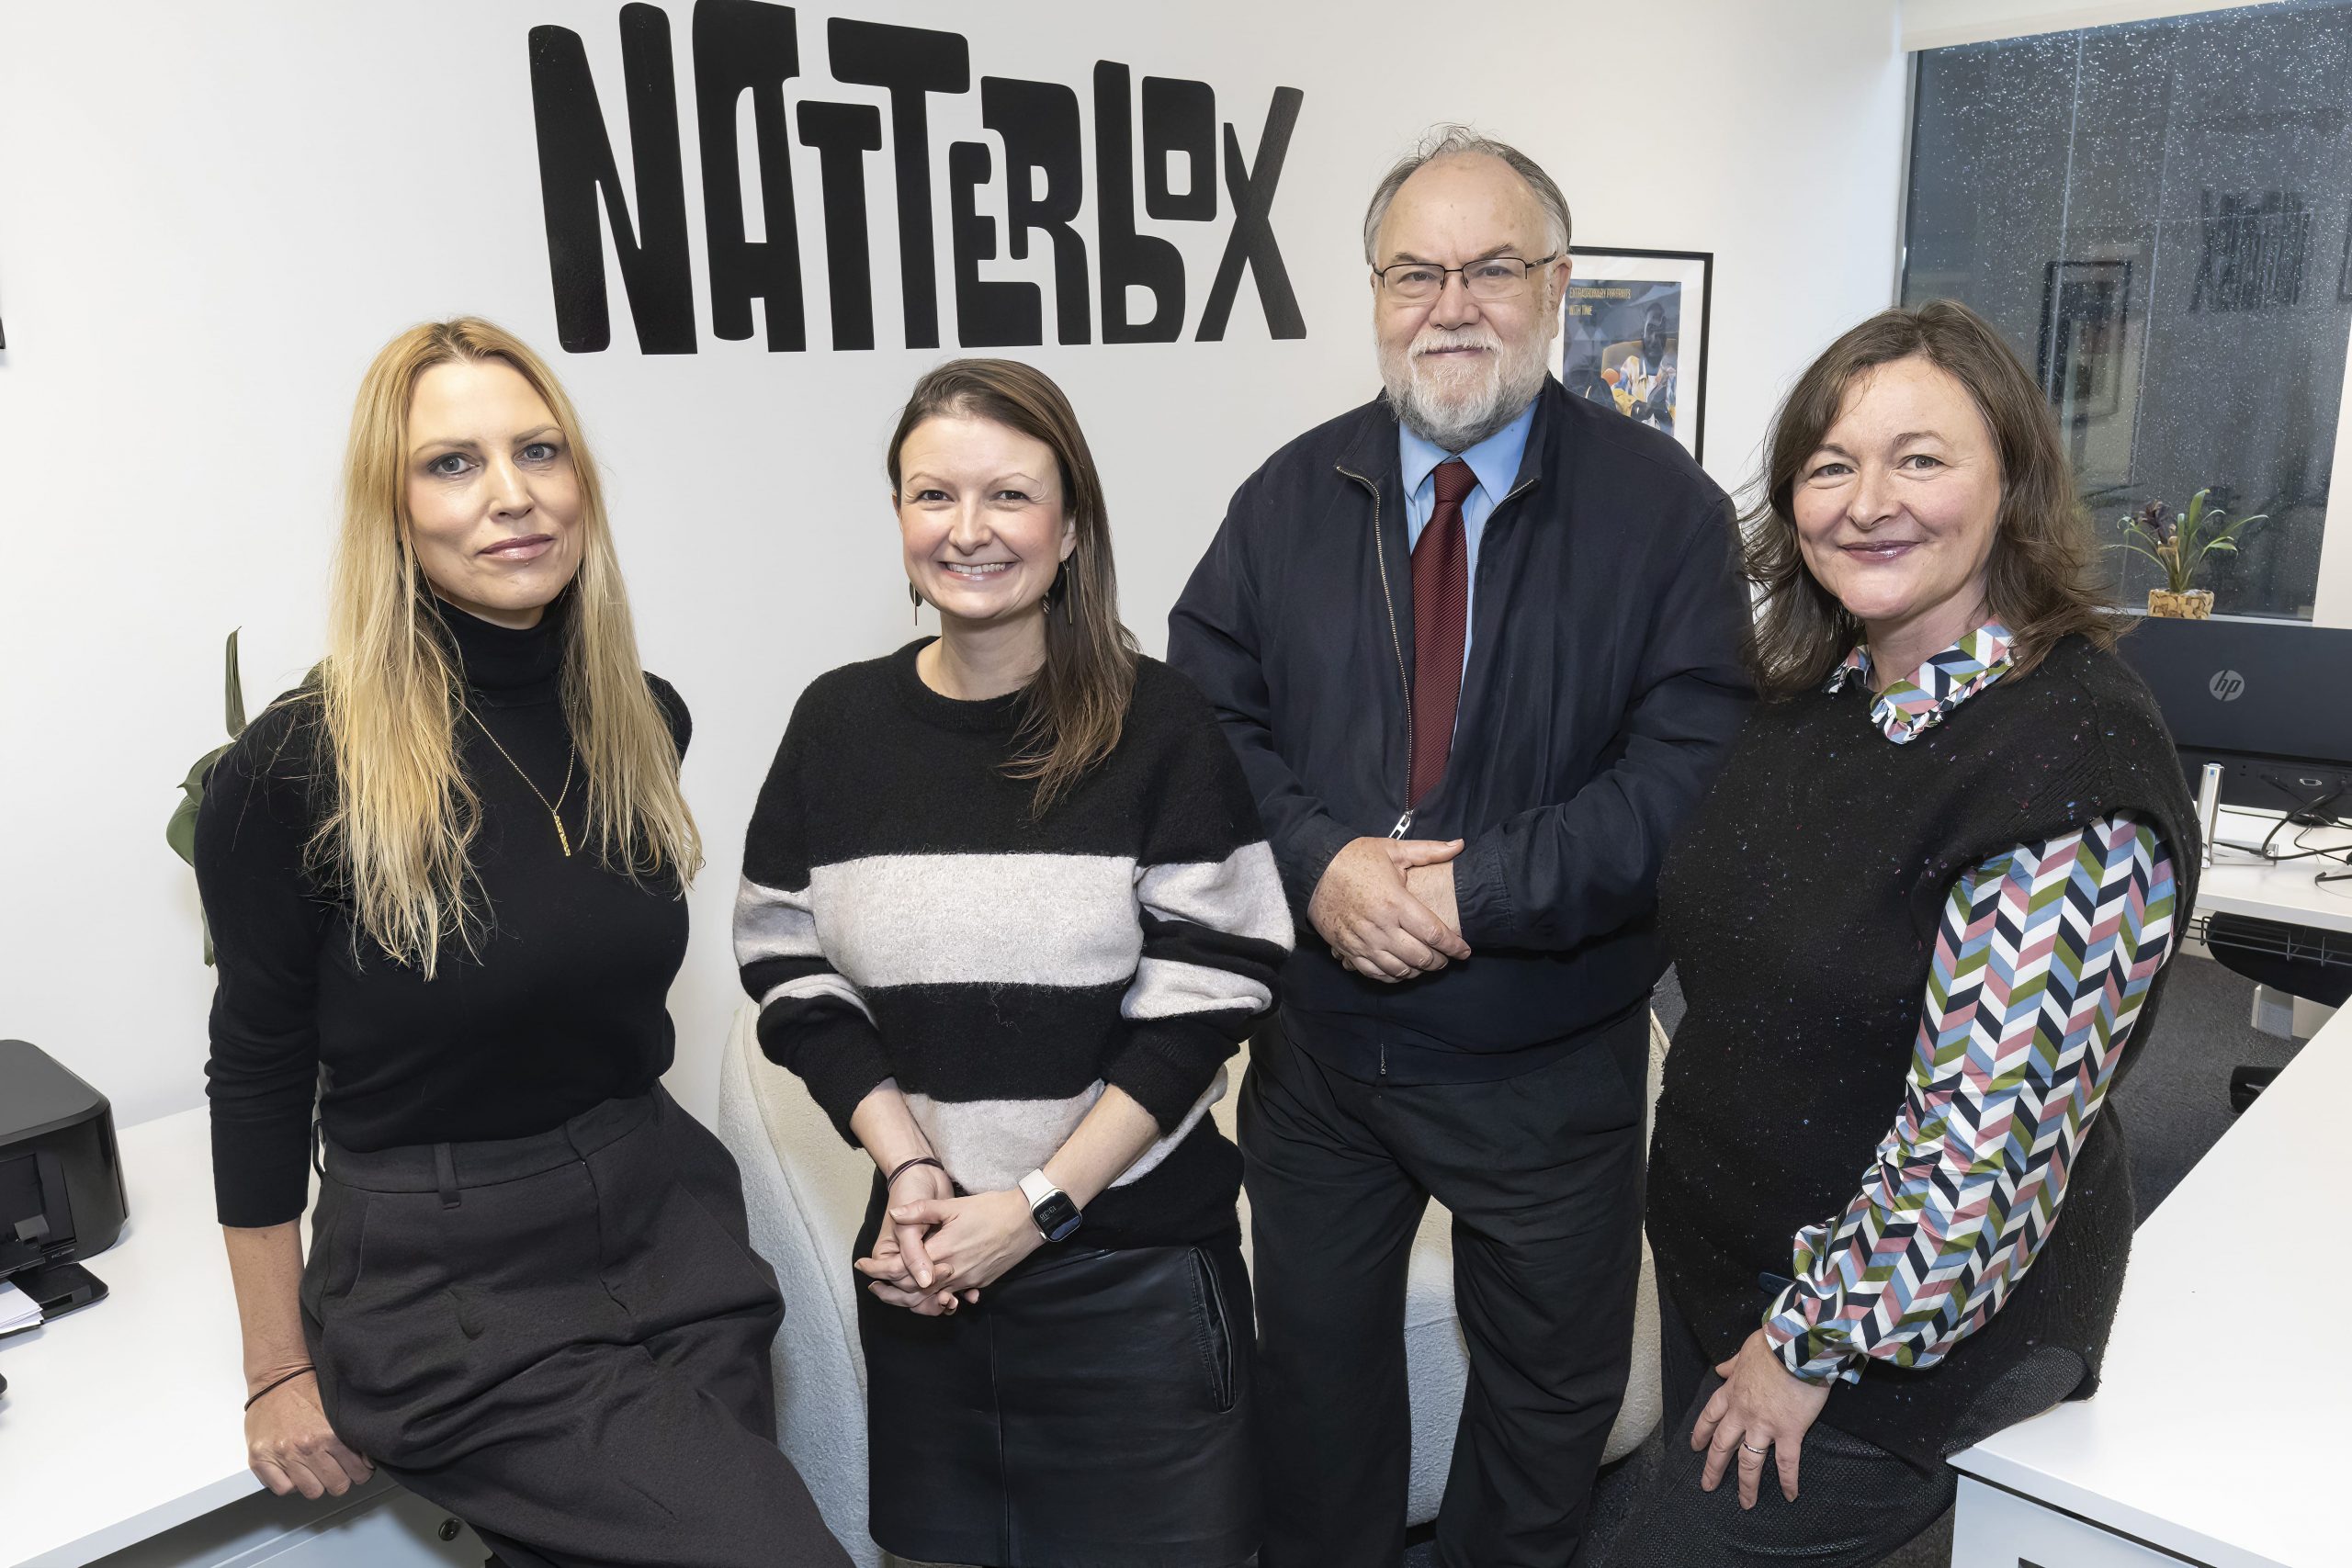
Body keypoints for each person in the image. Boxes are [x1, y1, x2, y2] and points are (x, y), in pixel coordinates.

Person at [1167, 126, 1753, 1568]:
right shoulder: (1285, 499)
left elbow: (1687, 774)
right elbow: (1204, 716)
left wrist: (1475, 893)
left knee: (1549, 1412)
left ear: (1557, 286)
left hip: (1548, 1061)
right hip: (1322, 1060)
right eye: (1415, 271)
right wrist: (1321, 865)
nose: (1453, 303)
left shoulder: (1662, 511)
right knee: (1315, 1397)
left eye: (1493, 266)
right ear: (1373, 293)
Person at [197, 319, 848, 1568]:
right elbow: (261, 1068)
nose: (511, 496)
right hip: (448, 1285)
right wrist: (276, 1367)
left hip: (665, 1220)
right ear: (389, 507)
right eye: (452, 463)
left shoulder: (640, 719)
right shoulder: (294, 769)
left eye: (538, 451)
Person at [1610, 299, 2199, 1565]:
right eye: (1831, 465)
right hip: (1739, 1282)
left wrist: (1804, 1347)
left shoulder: (2067, 760)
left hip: (1887, 1340)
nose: (1868, 500)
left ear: (2013, 483)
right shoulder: (1810, 699)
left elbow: (1981, 1156)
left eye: (1920, 458)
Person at [735, 358, 1290, 1568]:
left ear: (1071, 525)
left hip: (1130, 1282)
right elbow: (788, 961)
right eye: (934, 496)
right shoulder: (837, 728)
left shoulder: (1161, 728)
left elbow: (1211, 996)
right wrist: (914, 1168)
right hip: (932, 1277)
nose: (969, 531)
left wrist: (1036, 1208)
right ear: (897, 521)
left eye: (1009, 497)